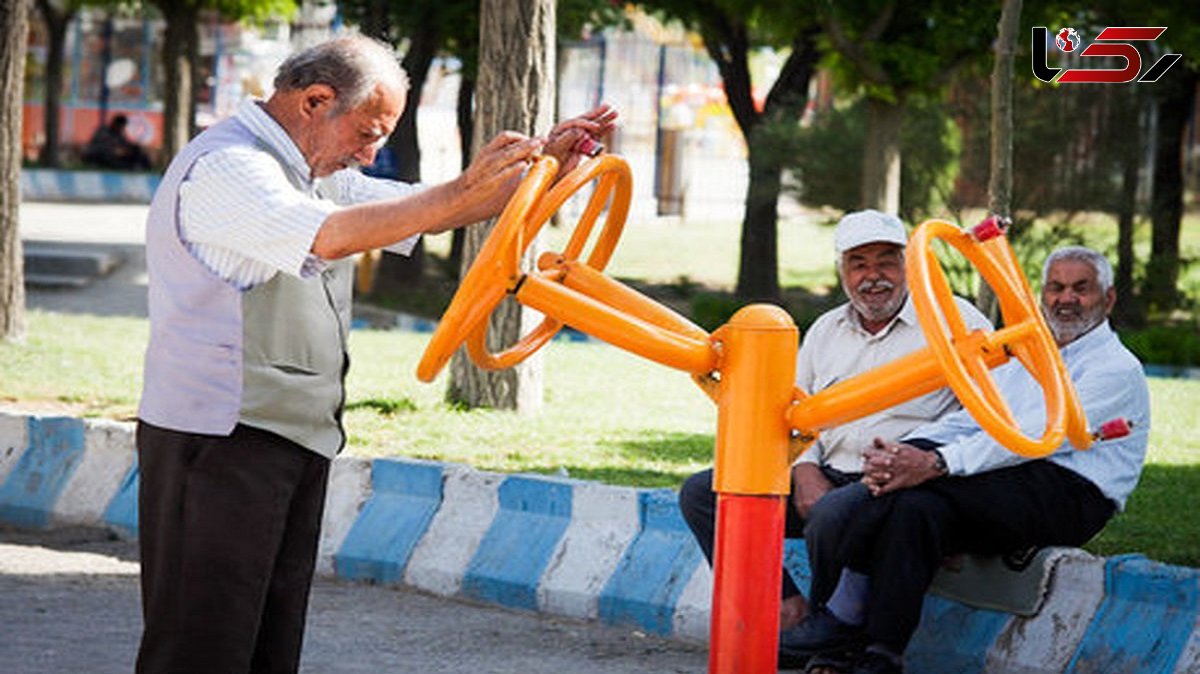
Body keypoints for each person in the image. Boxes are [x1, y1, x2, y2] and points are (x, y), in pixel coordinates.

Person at [134, 33, 616, 674]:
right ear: (314, 100)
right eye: (365, 133)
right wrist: (461, 193)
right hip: (220, 438)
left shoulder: (308, 171)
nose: (369, 154)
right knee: (203, 648)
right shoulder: (230, 168)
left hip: (286, 436)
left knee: (266, 645)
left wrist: (543, 169)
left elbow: (427, 210)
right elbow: (331, 237)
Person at [787, 246, 1151, 674]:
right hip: (1013, 475)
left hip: (1070, 491)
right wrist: (908, 449)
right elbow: (975, 418)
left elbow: (1030, 439)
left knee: (901, 495)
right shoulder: (1030, 355)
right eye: (1055, 288)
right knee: (913, 508)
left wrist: (935, 464)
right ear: (1041, 296)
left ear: (1107, 299)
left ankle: (837, 622)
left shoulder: (1115, 368)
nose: (1065, 299)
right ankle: (881, 653)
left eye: (1080, 289)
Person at [677, 210, 991, 632]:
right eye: (859, 264)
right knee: (705, 494)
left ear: (909, 265)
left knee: (831, 516)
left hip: (901, 479)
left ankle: (831, 637)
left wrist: (925, 465)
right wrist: (805, 469)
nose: (873, 276)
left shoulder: (959, 322)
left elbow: (988, 416)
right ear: (842, 271)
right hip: (829, 469)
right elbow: (790, 413)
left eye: (886, 262)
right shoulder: (826, 329)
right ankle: (788, 607)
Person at [81, 113, 152, 170]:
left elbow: (125, 146)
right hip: (98, 155)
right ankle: (127, 167)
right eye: (121, 126)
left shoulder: (119, 135)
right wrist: (116, 151)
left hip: (114, 156)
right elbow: (102, 147)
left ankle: (141, 166)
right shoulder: (104, 131)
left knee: (136, 150)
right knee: (106, 156)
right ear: (116, 124)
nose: (122, 128)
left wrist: (129, 149)